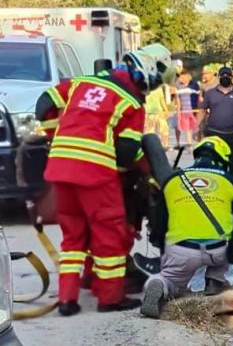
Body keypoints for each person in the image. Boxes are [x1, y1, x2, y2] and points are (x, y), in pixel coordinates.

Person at [35, 44, 174, 316]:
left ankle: (67, 300)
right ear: (147, 73)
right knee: (109, 234)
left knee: (73, 237)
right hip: (95, 174)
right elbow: (125, 153)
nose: (154, 88)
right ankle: (110, 298)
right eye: (156, 83)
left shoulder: (81, 82)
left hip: (60, 170)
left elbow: (44, 104)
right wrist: (144, 169)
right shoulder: (131, 103)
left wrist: (57, 137)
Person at [140, 136, 233, 318]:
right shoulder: (229, 180)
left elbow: (160, 223)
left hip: (181, 251)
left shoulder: (173, 180)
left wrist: (163, 252)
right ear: (222, 158)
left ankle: (161, 284)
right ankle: (215, 280)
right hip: (218, 251)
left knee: (170, 280)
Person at [197, 66, 233, 176]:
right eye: (223, 75)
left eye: (228, 75)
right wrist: (196, 127)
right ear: (218, 77)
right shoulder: (210, 93)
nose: (225, 77)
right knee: (214, 168)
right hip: (213, 135)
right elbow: (202, 110)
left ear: (232, 77)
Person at [176, 73, 199, 147]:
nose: (181, 79)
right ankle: (190, 145)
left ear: (188, 77)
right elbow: (178, 100)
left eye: (182, 77)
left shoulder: (194, 85)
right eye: (180, 77)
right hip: (184, 111)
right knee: (187, 129)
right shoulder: (179, 86)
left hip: (194, 110)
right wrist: (178, 111)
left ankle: (197, 140)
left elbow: (198, 97)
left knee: (197, 128)